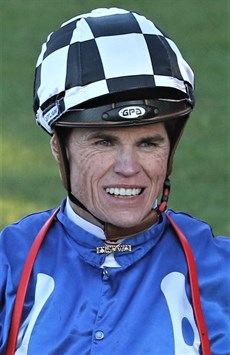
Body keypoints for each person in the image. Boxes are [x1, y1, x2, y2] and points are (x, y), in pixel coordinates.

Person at [0, 7, 229, 355]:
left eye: (148, 143)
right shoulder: (8, 261)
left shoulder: (220, 269)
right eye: (104, 141)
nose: (128, 167)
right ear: (59, 150)